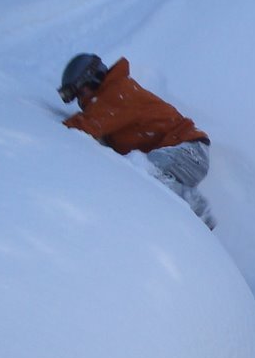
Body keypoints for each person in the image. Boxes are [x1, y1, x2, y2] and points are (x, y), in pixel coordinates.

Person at [59, 53, 216, 228]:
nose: (80, 100)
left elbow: (85, 126)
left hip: (189, 151)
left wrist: (48, 128)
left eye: (80, 92)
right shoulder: (111, 99)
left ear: (93, 79)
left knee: (142, 170)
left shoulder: (116, 93)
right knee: (145, 181)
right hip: (184, 154)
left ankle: (196, 208)